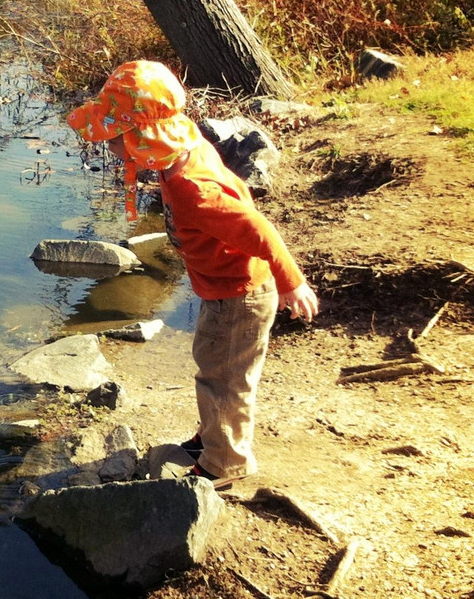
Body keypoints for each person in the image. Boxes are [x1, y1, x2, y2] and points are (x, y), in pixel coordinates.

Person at [67, 59, 319, 489]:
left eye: (113, 138)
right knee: (212, 363)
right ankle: (213, 437)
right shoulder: (184, 150)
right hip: (223, 290)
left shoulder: (193, 190)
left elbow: (259, 230)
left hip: (239, 296)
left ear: (143, 138)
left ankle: (225, 463)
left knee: (224, 380)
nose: (107, 147)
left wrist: (292, 282)